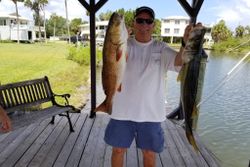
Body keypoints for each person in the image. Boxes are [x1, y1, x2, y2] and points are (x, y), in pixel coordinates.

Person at [104, 6, 192, 167]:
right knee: (117, 150)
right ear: (134, 23)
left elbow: (179, 62)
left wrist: (185, 42)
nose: (144, 24)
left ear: (153, 25)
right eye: (140, 20)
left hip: (151, 114)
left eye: (148, 21)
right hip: (121, 112)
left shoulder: (161, 48)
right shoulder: (124, 45)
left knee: (149, 153)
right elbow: (110, 59)